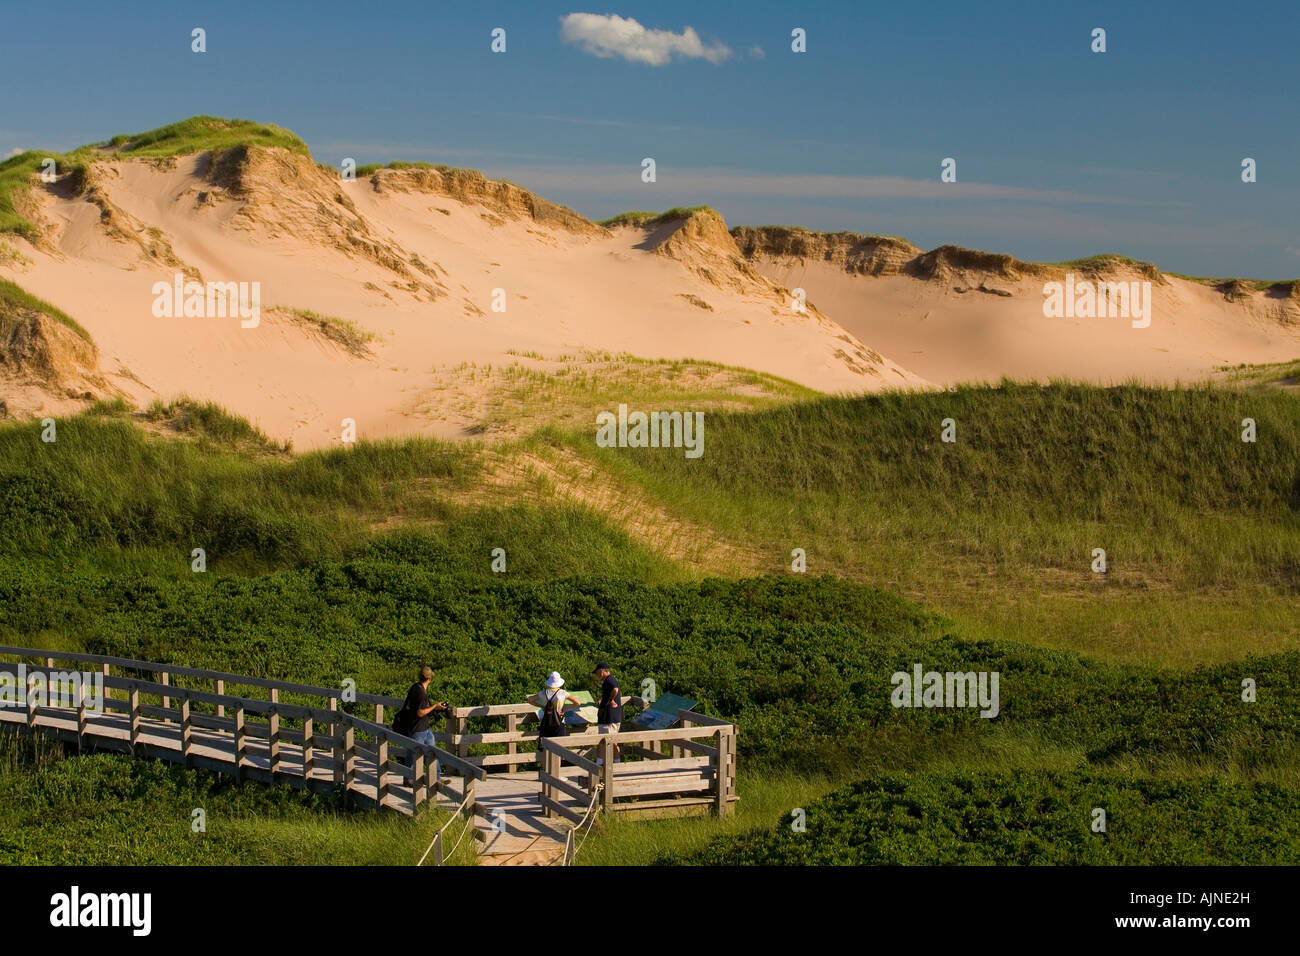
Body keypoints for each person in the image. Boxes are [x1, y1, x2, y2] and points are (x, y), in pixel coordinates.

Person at [398, 665, 448, 767]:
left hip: (423, 727)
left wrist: (436, 707)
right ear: (429, 678)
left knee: (432, 753)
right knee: (413, 755)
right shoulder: (421, 693)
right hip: (418, 729)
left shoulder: (416, 686)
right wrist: (434, 706)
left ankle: (436, 778)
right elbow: (420, 712)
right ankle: (409, 779)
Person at [528, 671, 580, 740]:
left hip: (546, 722)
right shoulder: (563, 693)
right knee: (559, 746)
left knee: (546, 747)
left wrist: (542, 706)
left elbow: (530, 700)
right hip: (559, 721)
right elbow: (577, 703)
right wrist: (564, 709)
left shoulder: (543, 693)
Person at [593, 662, 623, 761]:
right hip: (610, 717)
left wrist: (610, 700)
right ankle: (615, 763)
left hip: (609, 718)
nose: (597, 676)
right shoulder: (609, 680)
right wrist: (603, 699)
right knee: (611, 742)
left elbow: (615, 690)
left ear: (602, 671)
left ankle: (599, 764)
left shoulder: (609, 679)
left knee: (605, 742)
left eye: (597, 673)